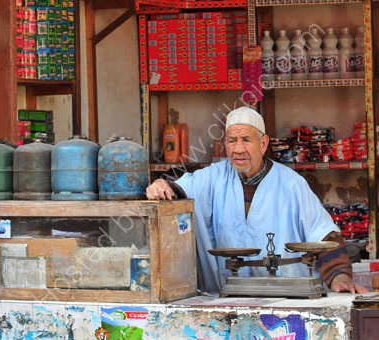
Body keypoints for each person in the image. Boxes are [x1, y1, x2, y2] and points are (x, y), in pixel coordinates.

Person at [146, 106, 367, 294]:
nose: (238, 149)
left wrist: (339, 279)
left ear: (263, 144)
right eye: (232, 141)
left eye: (246, 140)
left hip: (287, 297)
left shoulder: (291, 184)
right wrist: (161, 186)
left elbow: (324, 235)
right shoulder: (212, 177)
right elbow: (180, 188)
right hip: (227, 296)